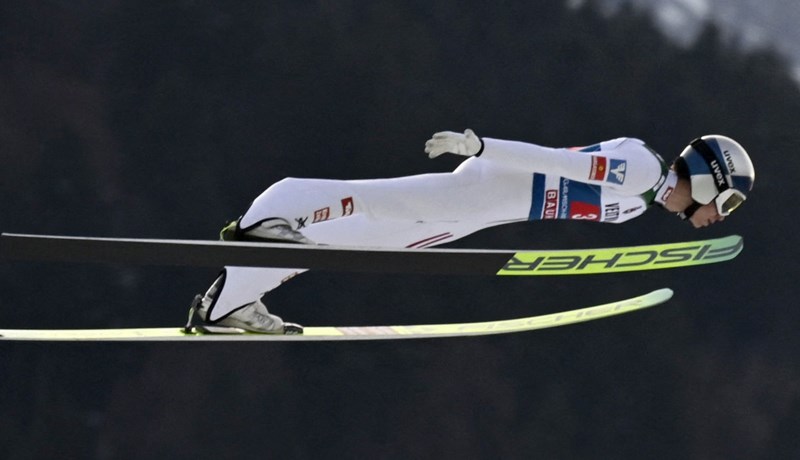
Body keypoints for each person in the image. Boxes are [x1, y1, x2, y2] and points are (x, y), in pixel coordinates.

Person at [190, 129, 755, 334]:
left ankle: (229, 306)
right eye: (726, 199)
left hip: (473, 216)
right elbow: (557, 163)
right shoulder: (644, 169)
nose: (722, 214)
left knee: (347, 245)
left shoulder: (636, 207)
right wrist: (483, 147)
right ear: (709, 178)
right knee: (365, 198)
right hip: (477, 188)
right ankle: (271, 215)